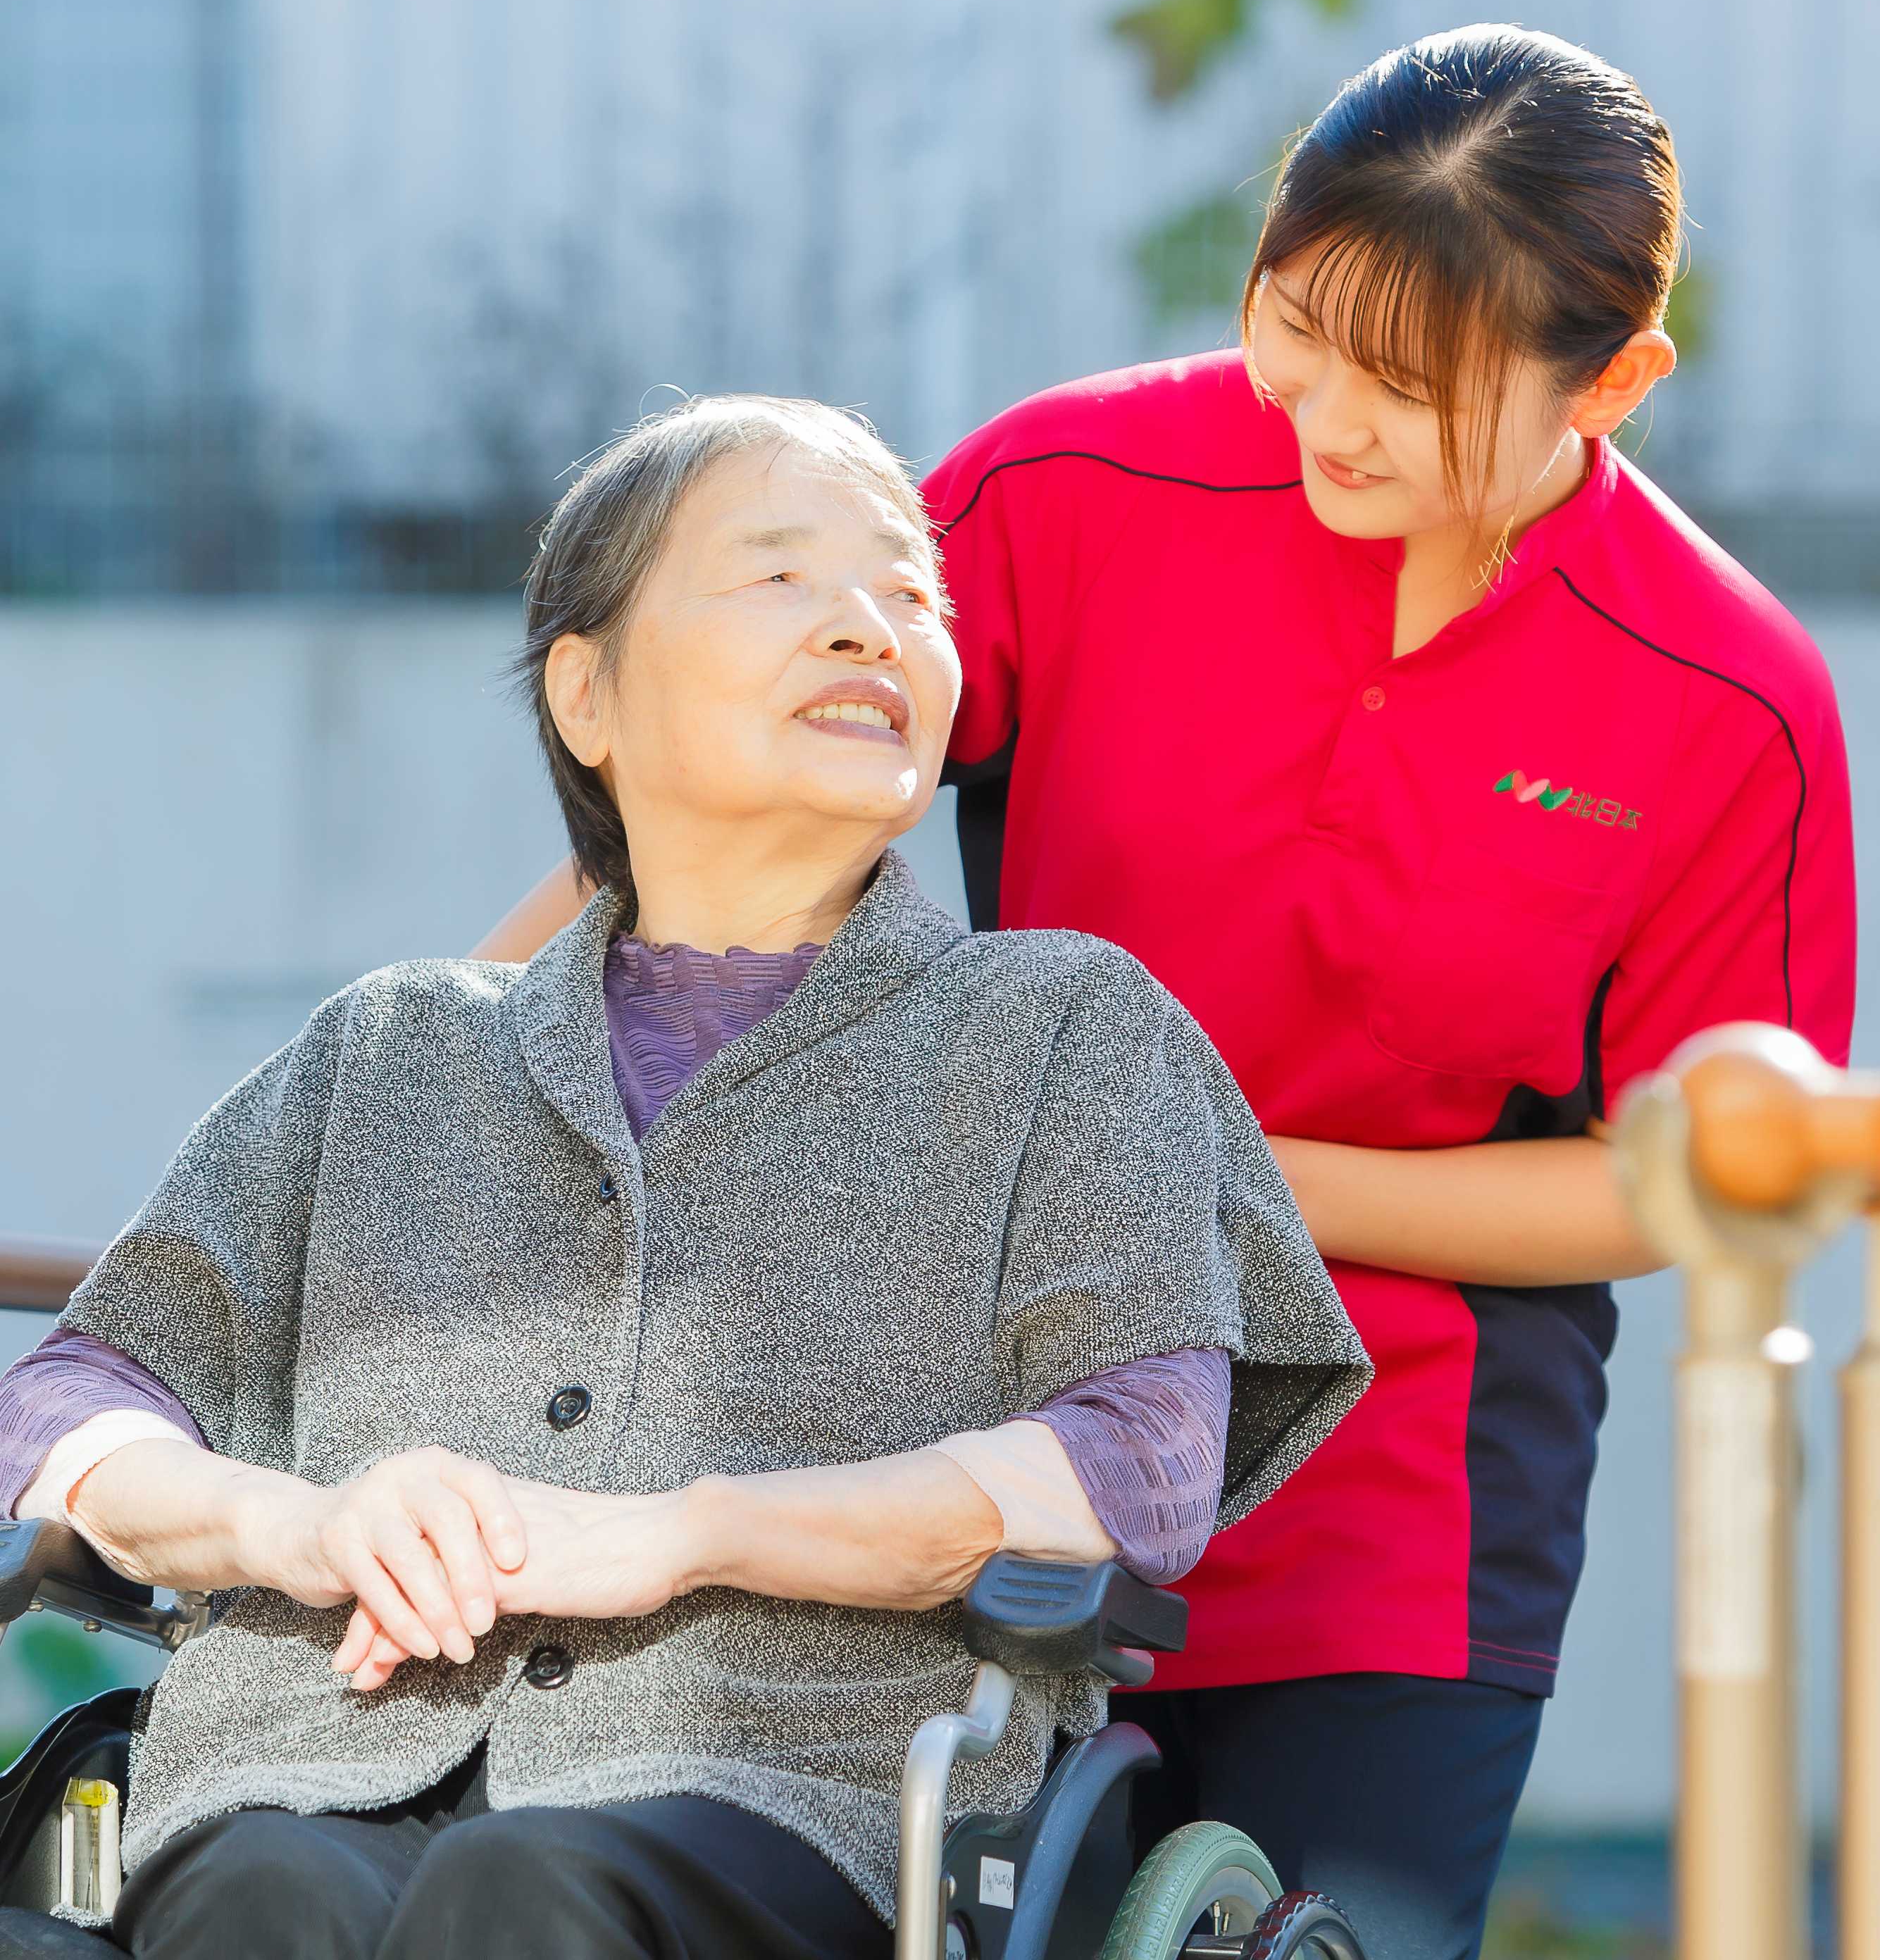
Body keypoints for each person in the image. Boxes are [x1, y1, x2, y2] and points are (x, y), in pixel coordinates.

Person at [484, 25, 1860, 1959]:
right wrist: (446, 1095)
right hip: (969, 1424)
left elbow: (1691, 1175)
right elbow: (719, 781)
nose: (1333, 418)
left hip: (1399, 1505)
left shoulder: (1724, 699)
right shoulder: (1070, 486)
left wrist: (1220, 1172)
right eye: (1298, 327)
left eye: (1419, 383)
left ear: (1611, 380)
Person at [0, 395, 1369, 1960]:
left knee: (520, 1895)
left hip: (799, 1785)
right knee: (273, 1893)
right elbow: (68, 1404)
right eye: (781, 576)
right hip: (304, 1751)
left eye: (912, 598)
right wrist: (296, 1531)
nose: (872, 627)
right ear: (588, 693)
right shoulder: (389, 1050)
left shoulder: (1066, 1031)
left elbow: (1136, 1465)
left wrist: (687, 1532)